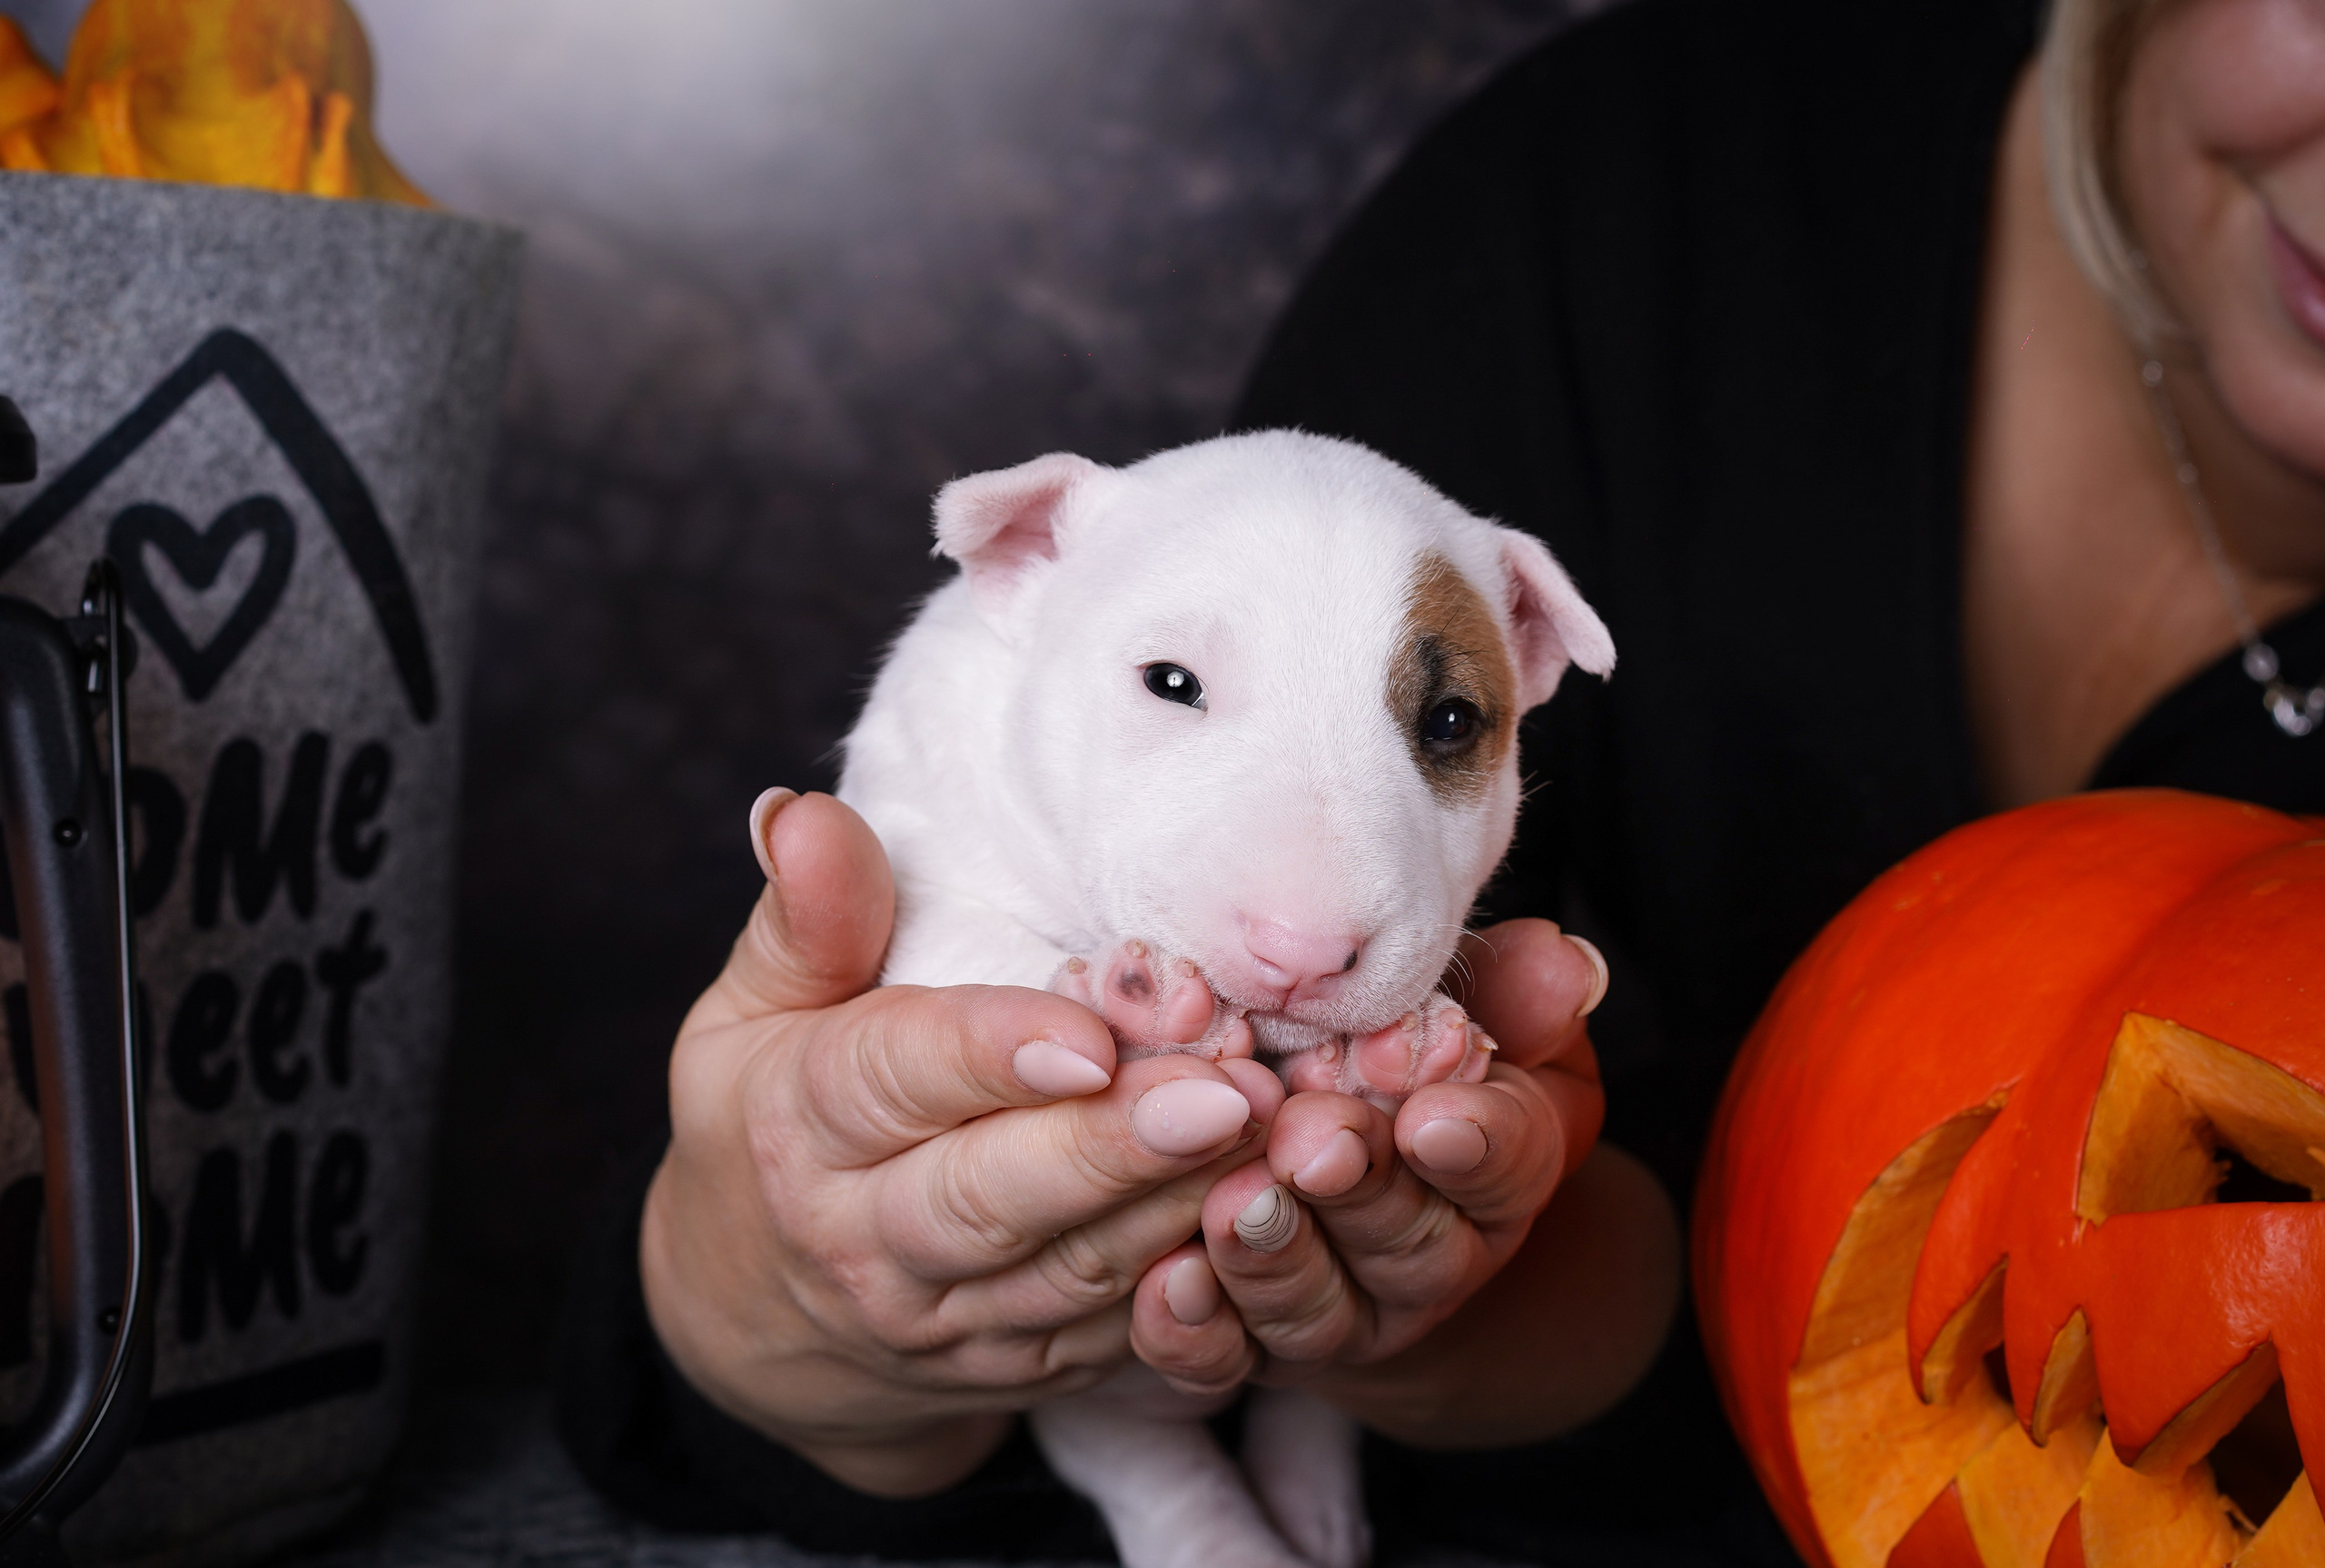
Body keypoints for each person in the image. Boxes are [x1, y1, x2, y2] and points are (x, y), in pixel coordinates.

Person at [555, 0, 2325, 1560]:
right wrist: (762, 1309)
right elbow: (740, 1373)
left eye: (1449, 728)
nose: (1310, 899)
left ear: (1532, 663)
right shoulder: (1623, 203)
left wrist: (1499, 1312)